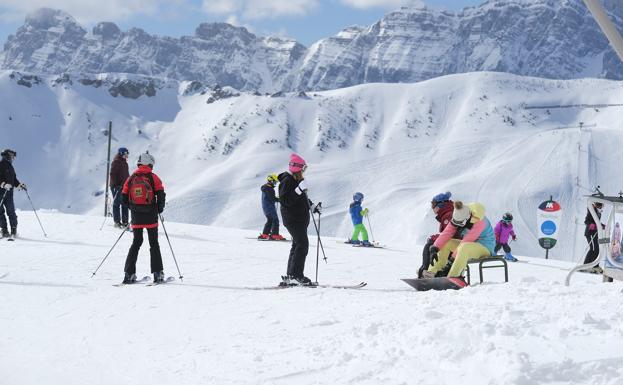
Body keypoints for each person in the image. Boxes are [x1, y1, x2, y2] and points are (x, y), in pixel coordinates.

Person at [121, 152, 166, 284]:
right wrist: (158, 209)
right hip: (151, 215)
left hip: (136, 216)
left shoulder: (131, 178)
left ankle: (129, 274)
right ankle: (158, 274)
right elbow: (161, 194)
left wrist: (133, 209)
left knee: (136, 243)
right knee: (154, 243)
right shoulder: (153, 177)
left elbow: (124, 197)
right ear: (150, 164)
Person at [425, 201, 495, 283]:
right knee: (447, 243)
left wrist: (450, 262)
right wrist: (435, 248)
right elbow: (447, 232)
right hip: (469, 245)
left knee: (464, 247)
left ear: (467, 219)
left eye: (459, 224)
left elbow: (466, 241)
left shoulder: (480, 221)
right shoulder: (459, 215)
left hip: (485, 247)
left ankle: (453, 276)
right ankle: (432, 273)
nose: (457, 226)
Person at [278, 153, 320, 285]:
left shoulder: (296, 181)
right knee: (302, 245)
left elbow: (302, 198)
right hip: (293, 219)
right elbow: (285, 200)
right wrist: (298, 190)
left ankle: (291, 275)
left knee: (297, 245)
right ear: (296, 168)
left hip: (298, 220)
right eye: (303, 169)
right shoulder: (287, 180)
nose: (303, 171)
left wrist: (312, 206)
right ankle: (296, 276)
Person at [418, 191, 454, 278]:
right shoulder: (447, 214)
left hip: (455, 243)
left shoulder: (448, 215)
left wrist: (434, 238)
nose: (432, 207)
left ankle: (426, 271)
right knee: (432, 244)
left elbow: (450, 234)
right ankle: (429, 271)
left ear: (441, 204)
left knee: (429, 246)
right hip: (453, 242)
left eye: (434, 204)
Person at [0, 149, 27, 238]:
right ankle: (4, 230)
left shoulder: (11, 167)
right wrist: (3, 184)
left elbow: (14, 180)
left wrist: (19, 185)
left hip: (9, 194)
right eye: (12, 156)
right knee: (0, 212)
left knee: (11, 211)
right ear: (7, 155)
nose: (13, 158)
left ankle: (13, 229)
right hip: (1, 192)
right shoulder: (1, 165)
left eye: (13, 157)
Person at [258, 174, 284, 240]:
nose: (275, 183)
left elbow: (271, 197)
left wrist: (277, 198)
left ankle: (265, 234)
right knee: (275, 220)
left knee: (270, 220)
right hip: (270, 207)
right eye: (274, 182)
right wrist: (280, 199)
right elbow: (272, 198)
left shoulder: (266, 188)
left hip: (266, 208)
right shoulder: (269, 189)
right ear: (271, 180)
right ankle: (275, 235)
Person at [110, 147, 130, 228]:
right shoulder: (116, 162)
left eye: (127, 154)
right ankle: (117, 222)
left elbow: (126, 175)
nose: (127, 156)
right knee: (116, 204)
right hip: (117, 186)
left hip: (124, 186)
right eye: (125, 154)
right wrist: (115, 185)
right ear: (121, 153)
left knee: (125, 204)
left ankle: (125, 222)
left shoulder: (125, 163)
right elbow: (112, 174)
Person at [583, 202, 603, 269]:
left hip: (594, 232)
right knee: (593, 249)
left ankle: (595, 266)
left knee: (597, 249)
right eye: (600, 206)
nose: (601, 208)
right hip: (590, 232)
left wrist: (602, 225)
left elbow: (596, 222)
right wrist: (591, 225)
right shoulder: (592, 211)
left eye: (602, 206)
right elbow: (586, 221)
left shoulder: (598, 212)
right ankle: (585, 266)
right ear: (597, 205)